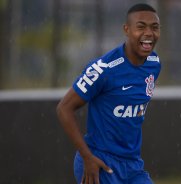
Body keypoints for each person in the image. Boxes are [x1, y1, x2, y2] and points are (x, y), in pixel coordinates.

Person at [56, 3, 161, 184]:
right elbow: (63, 108)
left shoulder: (154, 63)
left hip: (132, 165)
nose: (149, 33)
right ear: (126, 30)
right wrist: (86, 157)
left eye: (155, 27)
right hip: (99, 162)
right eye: (141, 27)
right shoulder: (103, 69)